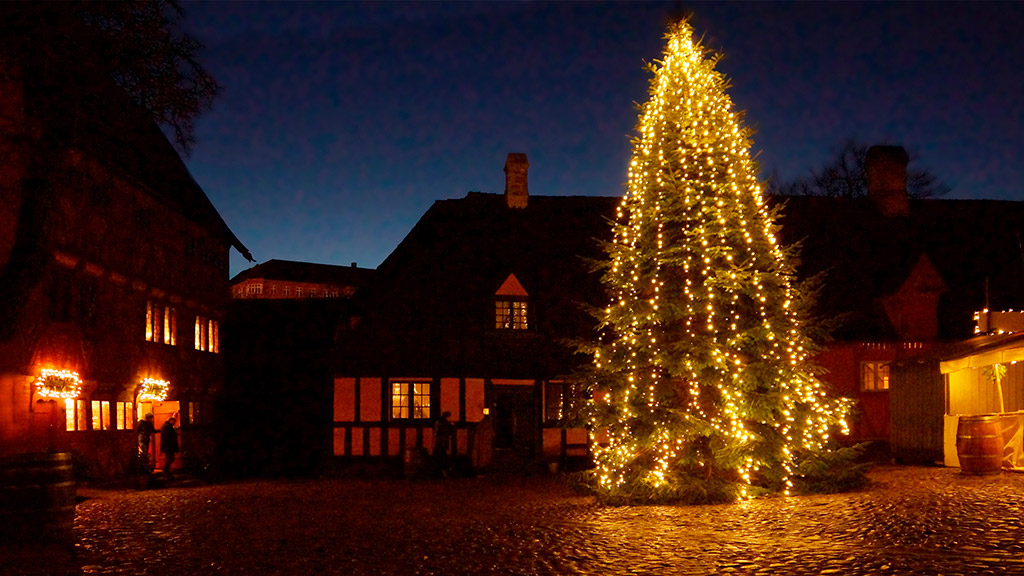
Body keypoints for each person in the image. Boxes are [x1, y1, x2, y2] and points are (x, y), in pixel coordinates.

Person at [433, 411, 455, 477]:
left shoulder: (440, 423)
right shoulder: (444, 423)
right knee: (442, 456)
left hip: (440, 442)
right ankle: (442, 471)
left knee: (440, 456)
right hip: (442, 442)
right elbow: (449, 430)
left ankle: (440, 471)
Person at [160, 416, 179, 480]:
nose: (174, 423)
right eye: (174, 421)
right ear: (171, 421)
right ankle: (166, 471)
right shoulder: (167, 427)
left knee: (170, 458)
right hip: (168, 446)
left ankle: (166, 471)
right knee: (170, 458)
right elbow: (168, 437)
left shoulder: (166, 426)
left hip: (167, 446)